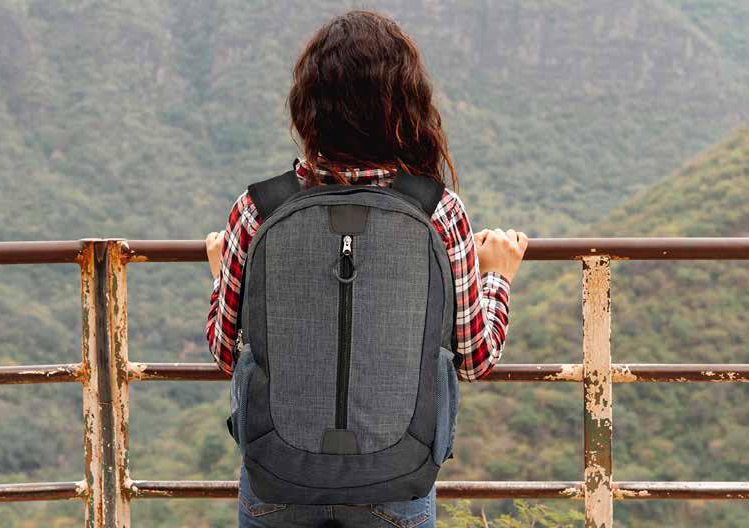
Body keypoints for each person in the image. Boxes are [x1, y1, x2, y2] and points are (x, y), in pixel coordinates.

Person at [204, 9, 527, 528]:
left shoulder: (256, 210)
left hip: (278, 479)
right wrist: (497, 276)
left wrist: (223, 275)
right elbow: (475, 359)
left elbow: (224, 352)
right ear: (405, 107)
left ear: (307, 107)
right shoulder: (438, 212)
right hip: (395, 476)